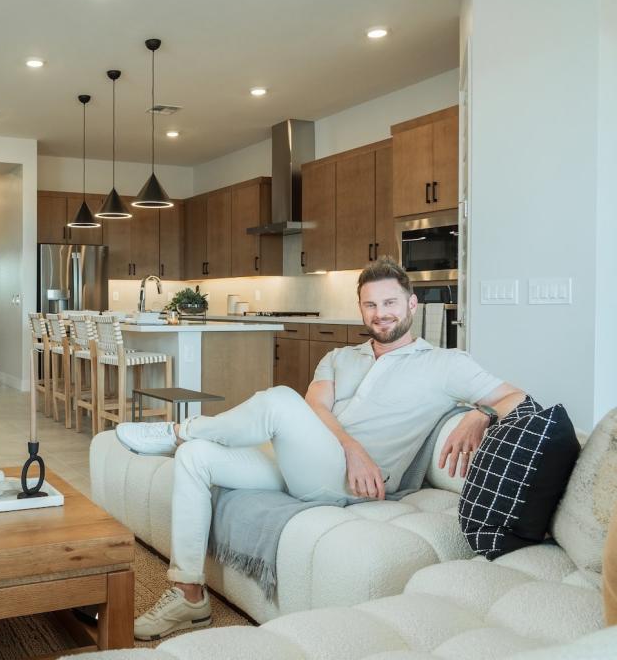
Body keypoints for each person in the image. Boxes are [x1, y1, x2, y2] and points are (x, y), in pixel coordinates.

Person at [115, 257, 527, 641]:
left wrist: (481, 413)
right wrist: (349, 445)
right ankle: (189, 595)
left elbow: (518, 399)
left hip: (357, 481)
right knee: (196, 459)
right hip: (310, 463)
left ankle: (180, 430)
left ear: (412, 304)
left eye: (390, 303)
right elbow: (315, 408)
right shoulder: (339, 357)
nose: (380, 313)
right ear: (361, 309)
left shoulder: (445, 363)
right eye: (370, 305)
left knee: (277, 398)